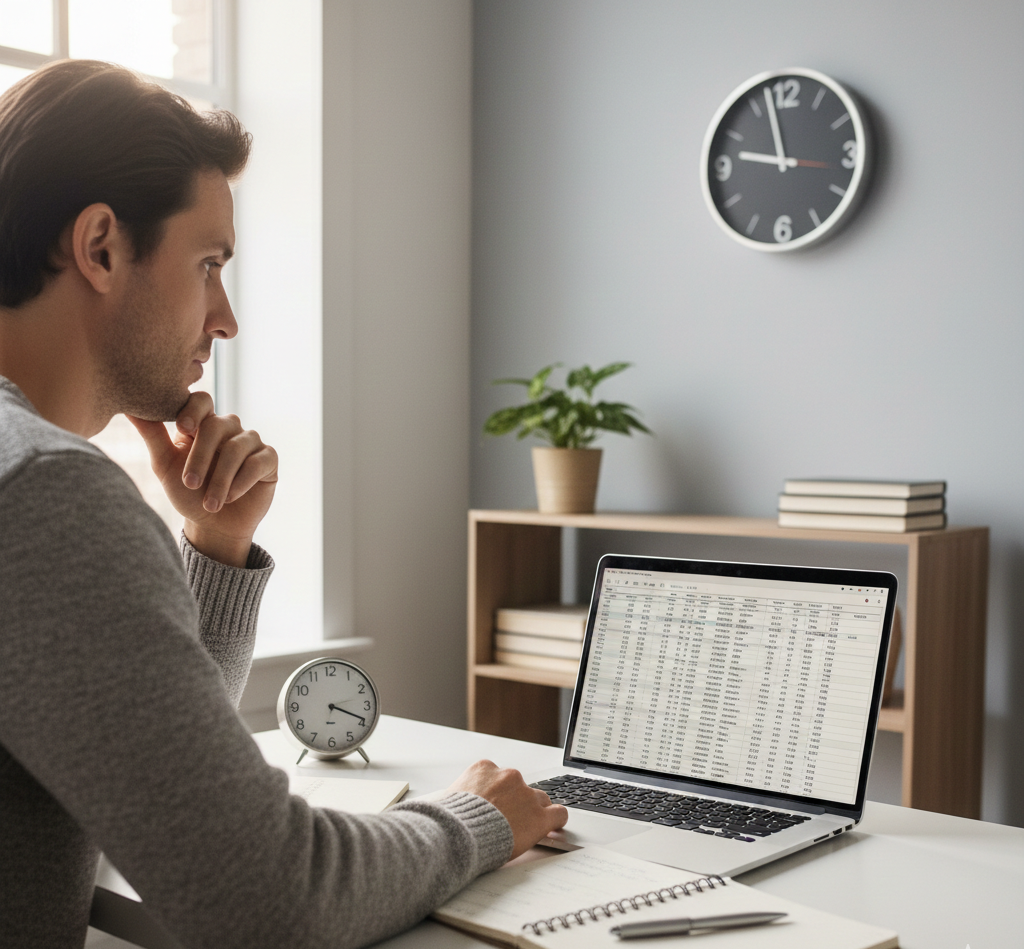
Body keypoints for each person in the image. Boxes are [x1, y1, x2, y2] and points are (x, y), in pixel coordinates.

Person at [0, 60, 566, 949]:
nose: (225, 319)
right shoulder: (44, 491)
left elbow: (153, 773)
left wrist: (215, 548)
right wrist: (477, 818)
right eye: (210, 264)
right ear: (101, 246)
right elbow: (268, 899)